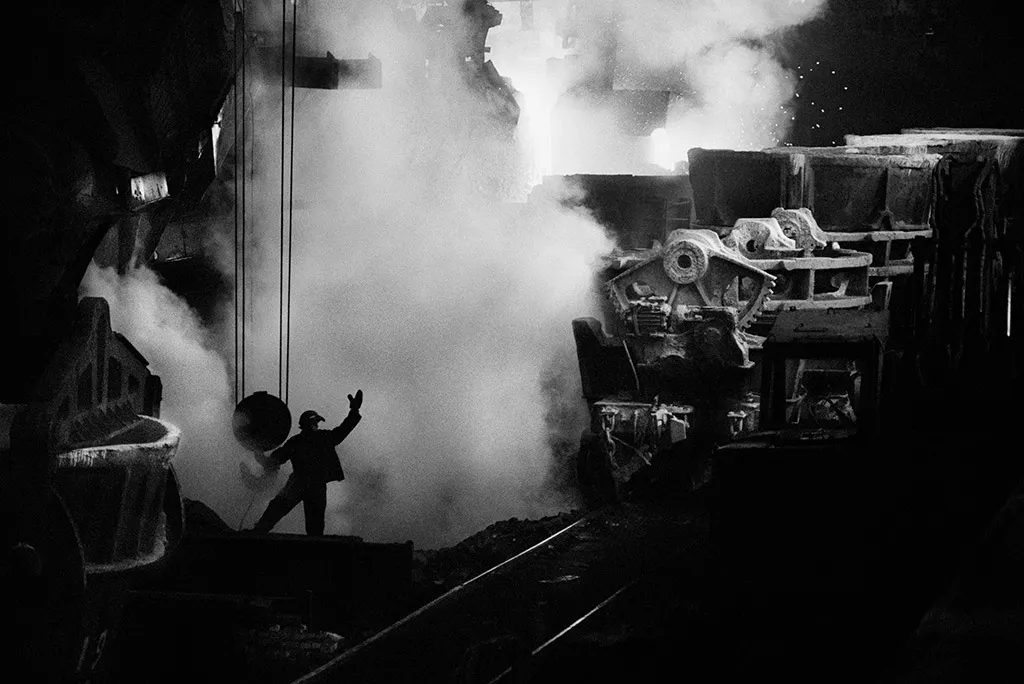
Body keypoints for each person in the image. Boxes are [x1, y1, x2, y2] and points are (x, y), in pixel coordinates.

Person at [251, 390, 363, 535]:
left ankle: (258, 532)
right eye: (315, 423)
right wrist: (354, 411)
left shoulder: (299, 441)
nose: (317, 426)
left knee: (280, 509)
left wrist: (261, 457)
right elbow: (342, 431)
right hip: (310, 483)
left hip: (303, 482)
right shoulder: (321, 438)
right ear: (309, 424)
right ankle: (261, 532)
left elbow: (276, 460)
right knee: (303, 518)